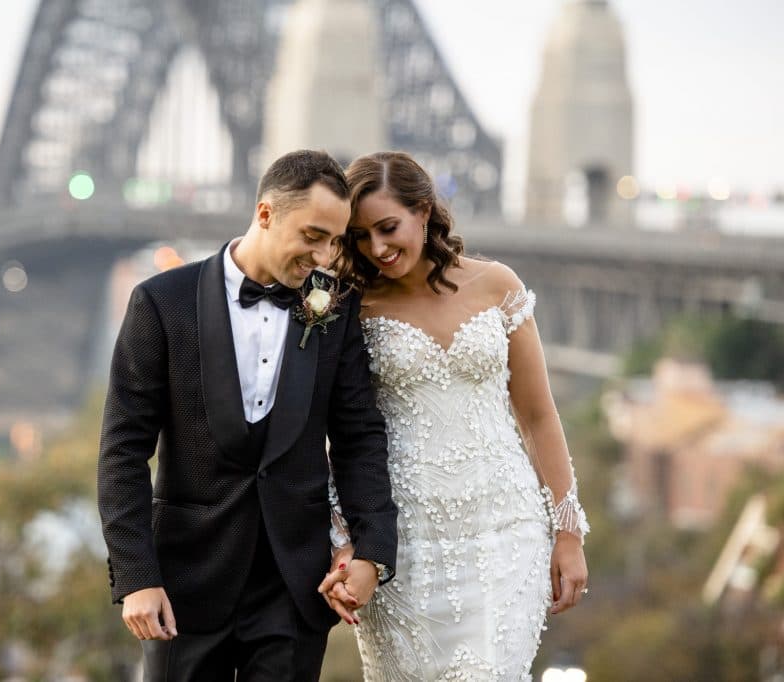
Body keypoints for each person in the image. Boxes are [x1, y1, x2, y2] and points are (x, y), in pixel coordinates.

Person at [97, 149, 398, 681]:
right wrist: (136, 576)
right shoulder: (160, 302)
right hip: (183, 587)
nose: (324, 257)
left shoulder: (335, 306)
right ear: (265, 214)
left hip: (294, 587)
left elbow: (359, 438)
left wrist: (372, 551)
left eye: (334, 241)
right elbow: (123, 451)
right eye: (313, 236)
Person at [320, 151, 589, 681]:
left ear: (423, 211)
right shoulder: (349, 306)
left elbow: (538, 416)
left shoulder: (497, 286)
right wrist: (343, 540)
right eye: (359, 237)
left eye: (388, 227)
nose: (377, 248)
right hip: (403, 547)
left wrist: (568, 532)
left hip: (506, 535)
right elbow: (333, 436)